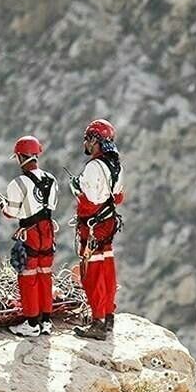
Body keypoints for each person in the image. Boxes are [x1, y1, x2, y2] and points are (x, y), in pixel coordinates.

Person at [0, 136, 58, 337]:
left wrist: (2, 205)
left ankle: (31, 323)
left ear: (20, 157)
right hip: (48, 230)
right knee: (45, 273)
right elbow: (51, 205)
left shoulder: (18, 183)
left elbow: (11, 212)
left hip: (30, 232)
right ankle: (46, 321)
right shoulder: (51, 179)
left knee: (28, 275)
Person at [70, 119, 125, 340]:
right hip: (108, 223)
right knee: (107, 270)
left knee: (92, 274)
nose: (85, 143)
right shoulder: (116, 165)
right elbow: (118, 197)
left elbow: (90, 200)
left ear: (95, 140)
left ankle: (98, 322)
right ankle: (108, 316)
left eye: (87, 138)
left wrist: (76, 188)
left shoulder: (94, 167)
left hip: (93, 226)